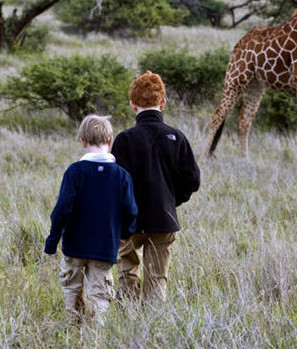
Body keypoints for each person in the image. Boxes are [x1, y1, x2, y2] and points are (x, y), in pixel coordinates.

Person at [112, 71, 200, 303]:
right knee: (157, 280)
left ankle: (127, 320)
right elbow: (193, 180)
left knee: (127, 275)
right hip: (164, 218)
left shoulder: (124, 139)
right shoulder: (176, 137)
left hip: (129, 222)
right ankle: (154, 323)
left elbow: (115, 185)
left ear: (132, 104)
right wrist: (171, 200)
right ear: (163, 102)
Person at [44, 115, 138, 324]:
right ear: (111, 140)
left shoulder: (74, 171)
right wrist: (124, 235)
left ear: (82, 141)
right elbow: (131, 211)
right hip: (105, 247)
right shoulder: (122, 175)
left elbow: (61, 209)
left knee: (71, 289)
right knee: (100, 294)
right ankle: (98, 334)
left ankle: (72, 327)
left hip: (74, 246)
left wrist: (52, 241)